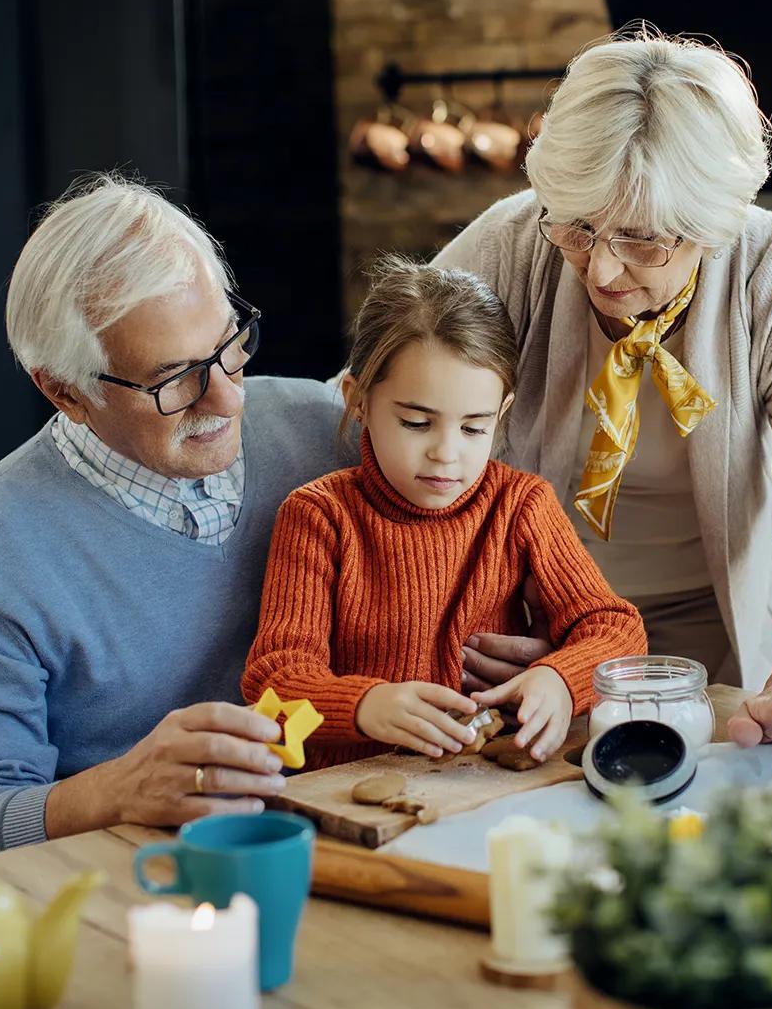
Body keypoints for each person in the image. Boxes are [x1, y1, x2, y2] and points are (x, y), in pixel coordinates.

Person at [433, 30, 772, 749]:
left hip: (698, 657)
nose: (603, 271)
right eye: (579, 228)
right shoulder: (513, 246)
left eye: (644, 241)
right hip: (518, 641)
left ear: (714, 226)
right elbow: (378, 413)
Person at [0, 175, 350, 855]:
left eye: (230, 345)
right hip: (134, 897)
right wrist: (121, 788)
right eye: (174, 380)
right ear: (63, 390)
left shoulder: (328, 436)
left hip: (358, 850)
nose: (229, 401)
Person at [243, 259, 647, 769]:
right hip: (347, 792)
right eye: (416, 423)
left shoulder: (521, 506)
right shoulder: (318, 517)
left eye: (474, 428)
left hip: (479, 785)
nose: (446, 453)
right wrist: (363, 707)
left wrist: (562, 679)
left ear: (502, 413)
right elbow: (273, 684)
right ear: (359, 400)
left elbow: (616, 628)